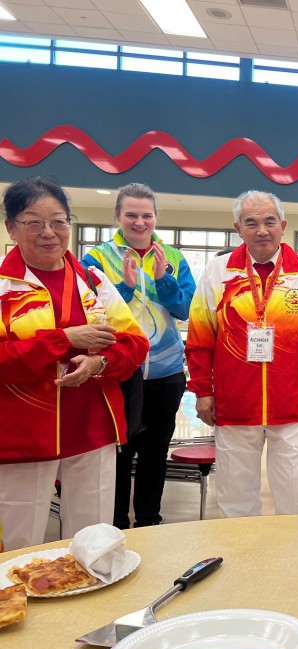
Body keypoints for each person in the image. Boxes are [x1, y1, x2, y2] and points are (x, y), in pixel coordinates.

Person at [0, 177, 148, 550]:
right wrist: (63, 340)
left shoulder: (92, 281)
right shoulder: (3, 287)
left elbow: (134, 343)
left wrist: (100, 363)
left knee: (93, 543)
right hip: (22, 434)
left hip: (92, 427)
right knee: (17, 543)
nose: (49, 232)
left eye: (58, 221)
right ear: (11, 228)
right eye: (34, 223)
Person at [185, 190, 298, 517]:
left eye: (269, 222)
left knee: (296, 491)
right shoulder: (218, 272)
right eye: (251, 223)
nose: (262, 230)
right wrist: (203, 391)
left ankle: (295, 547)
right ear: (238, 228)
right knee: (235, 495)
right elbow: (200, 337)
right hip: (234, 402)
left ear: (283, 226)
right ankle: (241, 548)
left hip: (292, 403)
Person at [82, 183, 196, 529]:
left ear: (156, 217)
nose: (140, 222)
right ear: (118, 216)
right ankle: (115, 526)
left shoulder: (172, 257)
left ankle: (149, 524)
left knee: (155, 454)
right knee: (118, 454)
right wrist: (126, 287)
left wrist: (163, 279)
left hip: (166, 373)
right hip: (116, 372)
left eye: (147, 215)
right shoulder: (97, 258)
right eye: (131, 214)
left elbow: (186, 309)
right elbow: (89, 311)